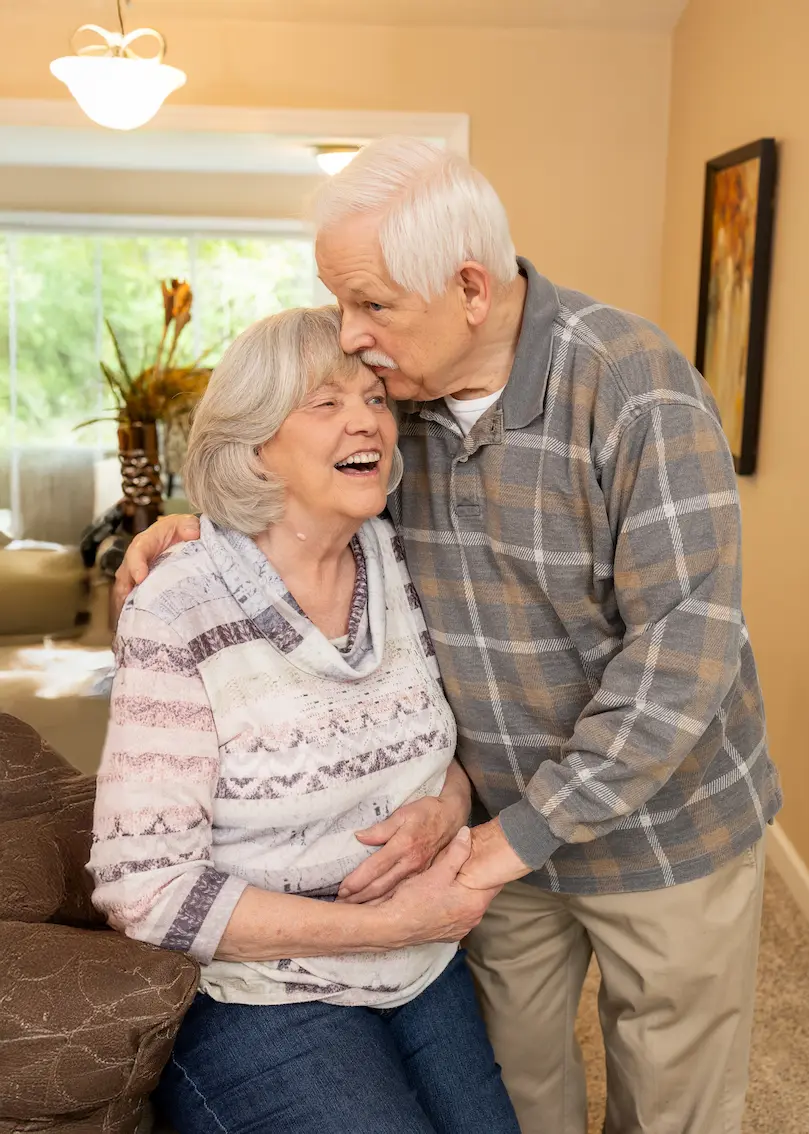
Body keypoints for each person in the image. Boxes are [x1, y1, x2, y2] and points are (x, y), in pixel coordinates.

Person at [116, 138, 783, 1134]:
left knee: (672, 1103)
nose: (354, 335)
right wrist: (193, 529)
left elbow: (684, 650)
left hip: (664, 827)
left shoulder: (631, 384)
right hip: (488, 828)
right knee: (518, 1094)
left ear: (471, 287)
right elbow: (299, 493)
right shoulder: (396, 410)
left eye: (372, 305)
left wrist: (522, 833)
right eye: (341, 302)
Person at [89, 306, 521, 1134]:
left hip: (421, 966)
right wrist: (380, 924)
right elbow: (143, 887)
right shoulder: (178, 606)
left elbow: (445, 754)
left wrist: (445, 809)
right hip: (257, 994)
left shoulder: (399, 559)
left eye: (374, 398)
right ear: (253, 446)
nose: (366, 419)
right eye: (324, 403)